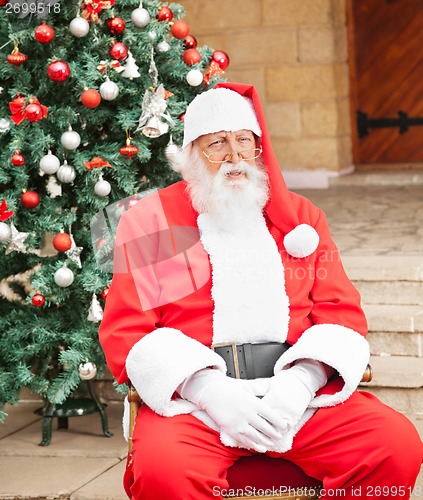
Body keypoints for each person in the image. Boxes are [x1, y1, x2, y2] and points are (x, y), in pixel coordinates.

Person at [99, 82, 422, 499]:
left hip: (297, 397)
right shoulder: (154, 220)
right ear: (192, 153)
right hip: (196, 404)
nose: (235, 157)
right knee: (164, 471)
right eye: (217, 144)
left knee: (393, 446)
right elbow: (130, 331)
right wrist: (207, 390)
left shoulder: (301, 217)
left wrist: (303, 381)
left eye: (244, 142)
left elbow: (340, 313)